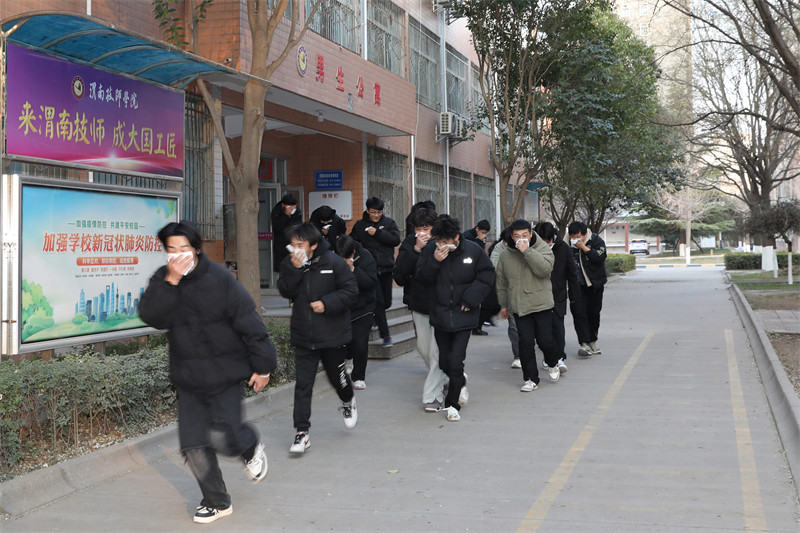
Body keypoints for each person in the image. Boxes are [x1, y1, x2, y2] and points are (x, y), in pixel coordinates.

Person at [139, 221, 276, 524]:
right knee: (193, 446)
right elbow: (152, 316)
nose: (178, 255)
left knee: (225, 437)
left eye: (184, 248)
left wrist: (263, 366)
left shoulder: (220, 279)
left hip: (224, 374)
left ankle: (249, 446)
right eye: (171, 249)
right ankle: (217, 502)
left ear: (197, 249)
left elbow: (249, 322)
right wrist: (171, 281)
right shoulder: (164, 279)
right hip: (189, 377)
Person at [278, 222, 359, 454]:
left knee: (338, 379)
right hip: (304, 334)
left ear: (313, 244)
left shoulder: (333, 262)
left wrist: (327, 303)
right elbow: (285, 291)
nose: (295, 248)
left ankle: (348, 400)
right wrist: (295, 269)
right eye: (292, 244)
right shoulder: (290, 262)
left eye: (300, 244)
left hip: (332, 335)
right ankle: (302, 432)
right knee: (303, 385)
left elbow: (351, 291)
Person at [415, 217, 495, 422]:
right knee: (444, 362)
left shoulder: (473, 250)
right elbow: (421, 278)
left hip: (464, 316)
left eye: (445, 241)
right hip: (440, 315)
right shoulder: (431, 251)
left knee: (456, 362)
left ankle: (452, 404)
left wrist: (472, 298)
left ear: (456, 238)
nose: (442, 245)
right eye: (438, 241)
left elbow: (487, 275)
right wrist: (435, 261)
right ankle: (459, 381)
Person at [393, 206, 449, 413]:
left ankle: (433, 395)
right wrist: (417, 249)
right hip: (419, 304)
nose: (422, 233)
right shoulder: (410, 243)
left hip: (442, 304)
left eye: (426, 228)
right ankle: (449, 376)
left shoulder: (443, 241)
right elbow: (400, 275)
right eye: (418, 229)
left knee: (436, 352)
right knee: (424, 349)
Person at [495, 219, 560, 392]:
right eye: (517, 236)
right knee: (525, 343)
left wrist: (527, 251)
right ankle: (531, 379)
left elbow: (545, 270)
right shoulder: (506, 255)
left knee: (545, 341)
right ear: (511, 236)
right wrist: (503, 304)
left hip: (541, 303)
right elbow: (501, 282)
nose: (521, 239)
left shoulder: (542, 248)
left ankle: (552, 362)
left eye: (525, 235)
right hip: (519, 305)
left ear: (531, 234)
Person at [350, 197, 401, 347]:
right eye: (373, 212)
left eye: (379, 212)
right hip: (370, 270)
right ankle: (386, 336)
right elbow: (353, 242)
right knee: (379, 302)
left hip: (386, 268)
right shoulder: (360, 225)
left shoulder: (389, 223)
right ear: (367, 211)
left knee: (386, 302)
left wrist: (378, 233)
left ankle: (375, 317)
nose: (376, 215)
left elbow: (395, 240)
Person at [534, 221, 580, 374]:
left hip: (557, 294)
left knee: (558, 328)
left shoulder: (563, 248)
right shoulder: (532, 249)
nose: (547, 245)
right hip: (537, 294)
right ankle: (548, 357)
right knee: (542, 330)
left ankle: (559, 357)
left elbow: (571, 273)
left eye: (549, 241)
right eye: (543, 242)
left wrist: (574, 295)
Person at [335, 234, 378, 390]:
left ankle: (359, 377)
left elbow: (370, 283)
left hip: (364, 308)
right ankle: (347, 358)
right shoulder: (332, 258)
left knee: (360, 343)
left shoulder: (366, 257)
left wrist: (353, 269)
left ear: (353, 251)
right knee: (344, 342)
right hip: (342, 308)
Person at [568, 221, 608, 355]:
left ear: (585, 234)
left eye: (578, 236)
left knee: (594, 314)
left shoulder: (596, 240)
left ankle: (593, 341)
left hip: (594, 285)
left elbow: (600, 257)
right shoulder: (565, 244)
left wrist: (583, 247)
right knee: (579, 314)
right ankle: (584, 343)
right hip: (576, 286)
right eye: (572, 236)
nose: (575, 239)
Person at [490, 228, 521, 369]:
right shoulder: (500, 248)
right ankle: (518, 356)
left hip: (528, 293)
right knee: (514, 325)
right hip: (509, 293)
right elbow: (494, 266)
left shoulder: (527, 245)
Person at [271, 193, 302, 273]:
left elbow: (298, 226)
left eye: (293, 206)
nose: (291, 208)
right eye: (289, 206)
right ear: (283, 205)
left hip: (294, 244)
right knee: (282, 269)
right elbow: (277, 228)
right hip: (281, 245)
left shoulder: (297, 212)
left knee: (295, 268)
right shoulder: (276, 211)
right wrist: (286, 215)